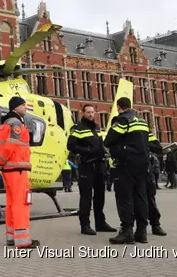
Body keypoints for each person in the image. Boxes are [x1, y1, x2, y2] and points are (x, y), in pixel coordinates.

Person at [104, 97, 151, 245]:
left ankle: (127, 231)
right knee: (141, 197)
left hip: (126, 164)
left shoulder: (123, 121)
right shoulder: (142, 121)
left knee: (125, 198)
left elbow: (108, 140)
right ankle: (142, 232)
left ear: (118, 107)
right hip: (143, 165)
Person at [0, 96, 38, 249]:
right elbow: (10, 146)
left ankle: (11, 237)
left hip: (8, 170)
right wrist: (1, 161)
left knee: (12, 203)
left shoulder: (5, 123)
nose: (26, 107)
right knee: (21, 203)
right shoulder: (16, 123)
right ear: (15, 107)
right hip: (17, 169)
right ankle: (23, 240)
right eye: (23, 105)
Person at [67, 103, 116, 235]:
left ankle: (100, 223)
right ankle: (85, 225)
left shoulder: (97, 127)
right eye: (88, 112)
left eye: (92, 112)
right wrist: (87, 150)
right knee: (86, 197)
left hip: (99, 165)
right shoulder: (77, 128)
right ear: (82, 113)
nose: (90, 114)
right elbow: (70, 146)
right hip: (86, 165)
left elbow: (100, 144)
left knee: (100, 196)